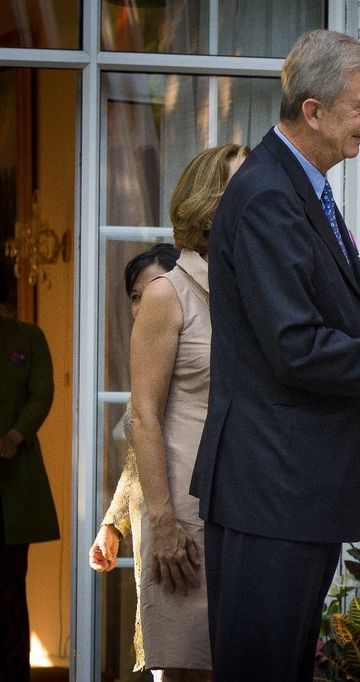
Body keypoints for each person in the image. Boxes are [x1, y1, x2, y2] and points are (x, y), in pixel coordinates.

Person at [189, 30, 360, 681]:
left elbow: (299, 326)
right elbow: (295, 349)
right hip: (271, 487)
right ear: (312, 110)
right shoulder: (269, 196)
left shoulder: (297, 185)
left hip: (288, 487)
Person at [128, 144, 248, 681]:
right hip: (184, 511)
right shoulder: (165, 293)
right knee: (188, 669)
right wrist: (163, 521)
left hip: (249, 507)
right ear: (210, 201)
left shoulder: (255, 288)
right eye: (244, 184)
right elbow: (143, 416)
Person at [87, 242, 180, 675]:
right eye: (137, 297)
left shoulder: (194, 359)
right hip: (150, 528)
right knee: (163, 658)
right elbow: (135, 457)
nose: (145, 306)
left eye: (157, 291)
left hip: (187, 525)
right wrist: (113, 524)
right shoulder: (149, 360)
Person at [0, 278, 60, 682]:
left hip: (13, 478)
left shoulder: (29, 338)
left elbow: (42, 393)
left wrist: (15, 435)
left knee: (9, 588)